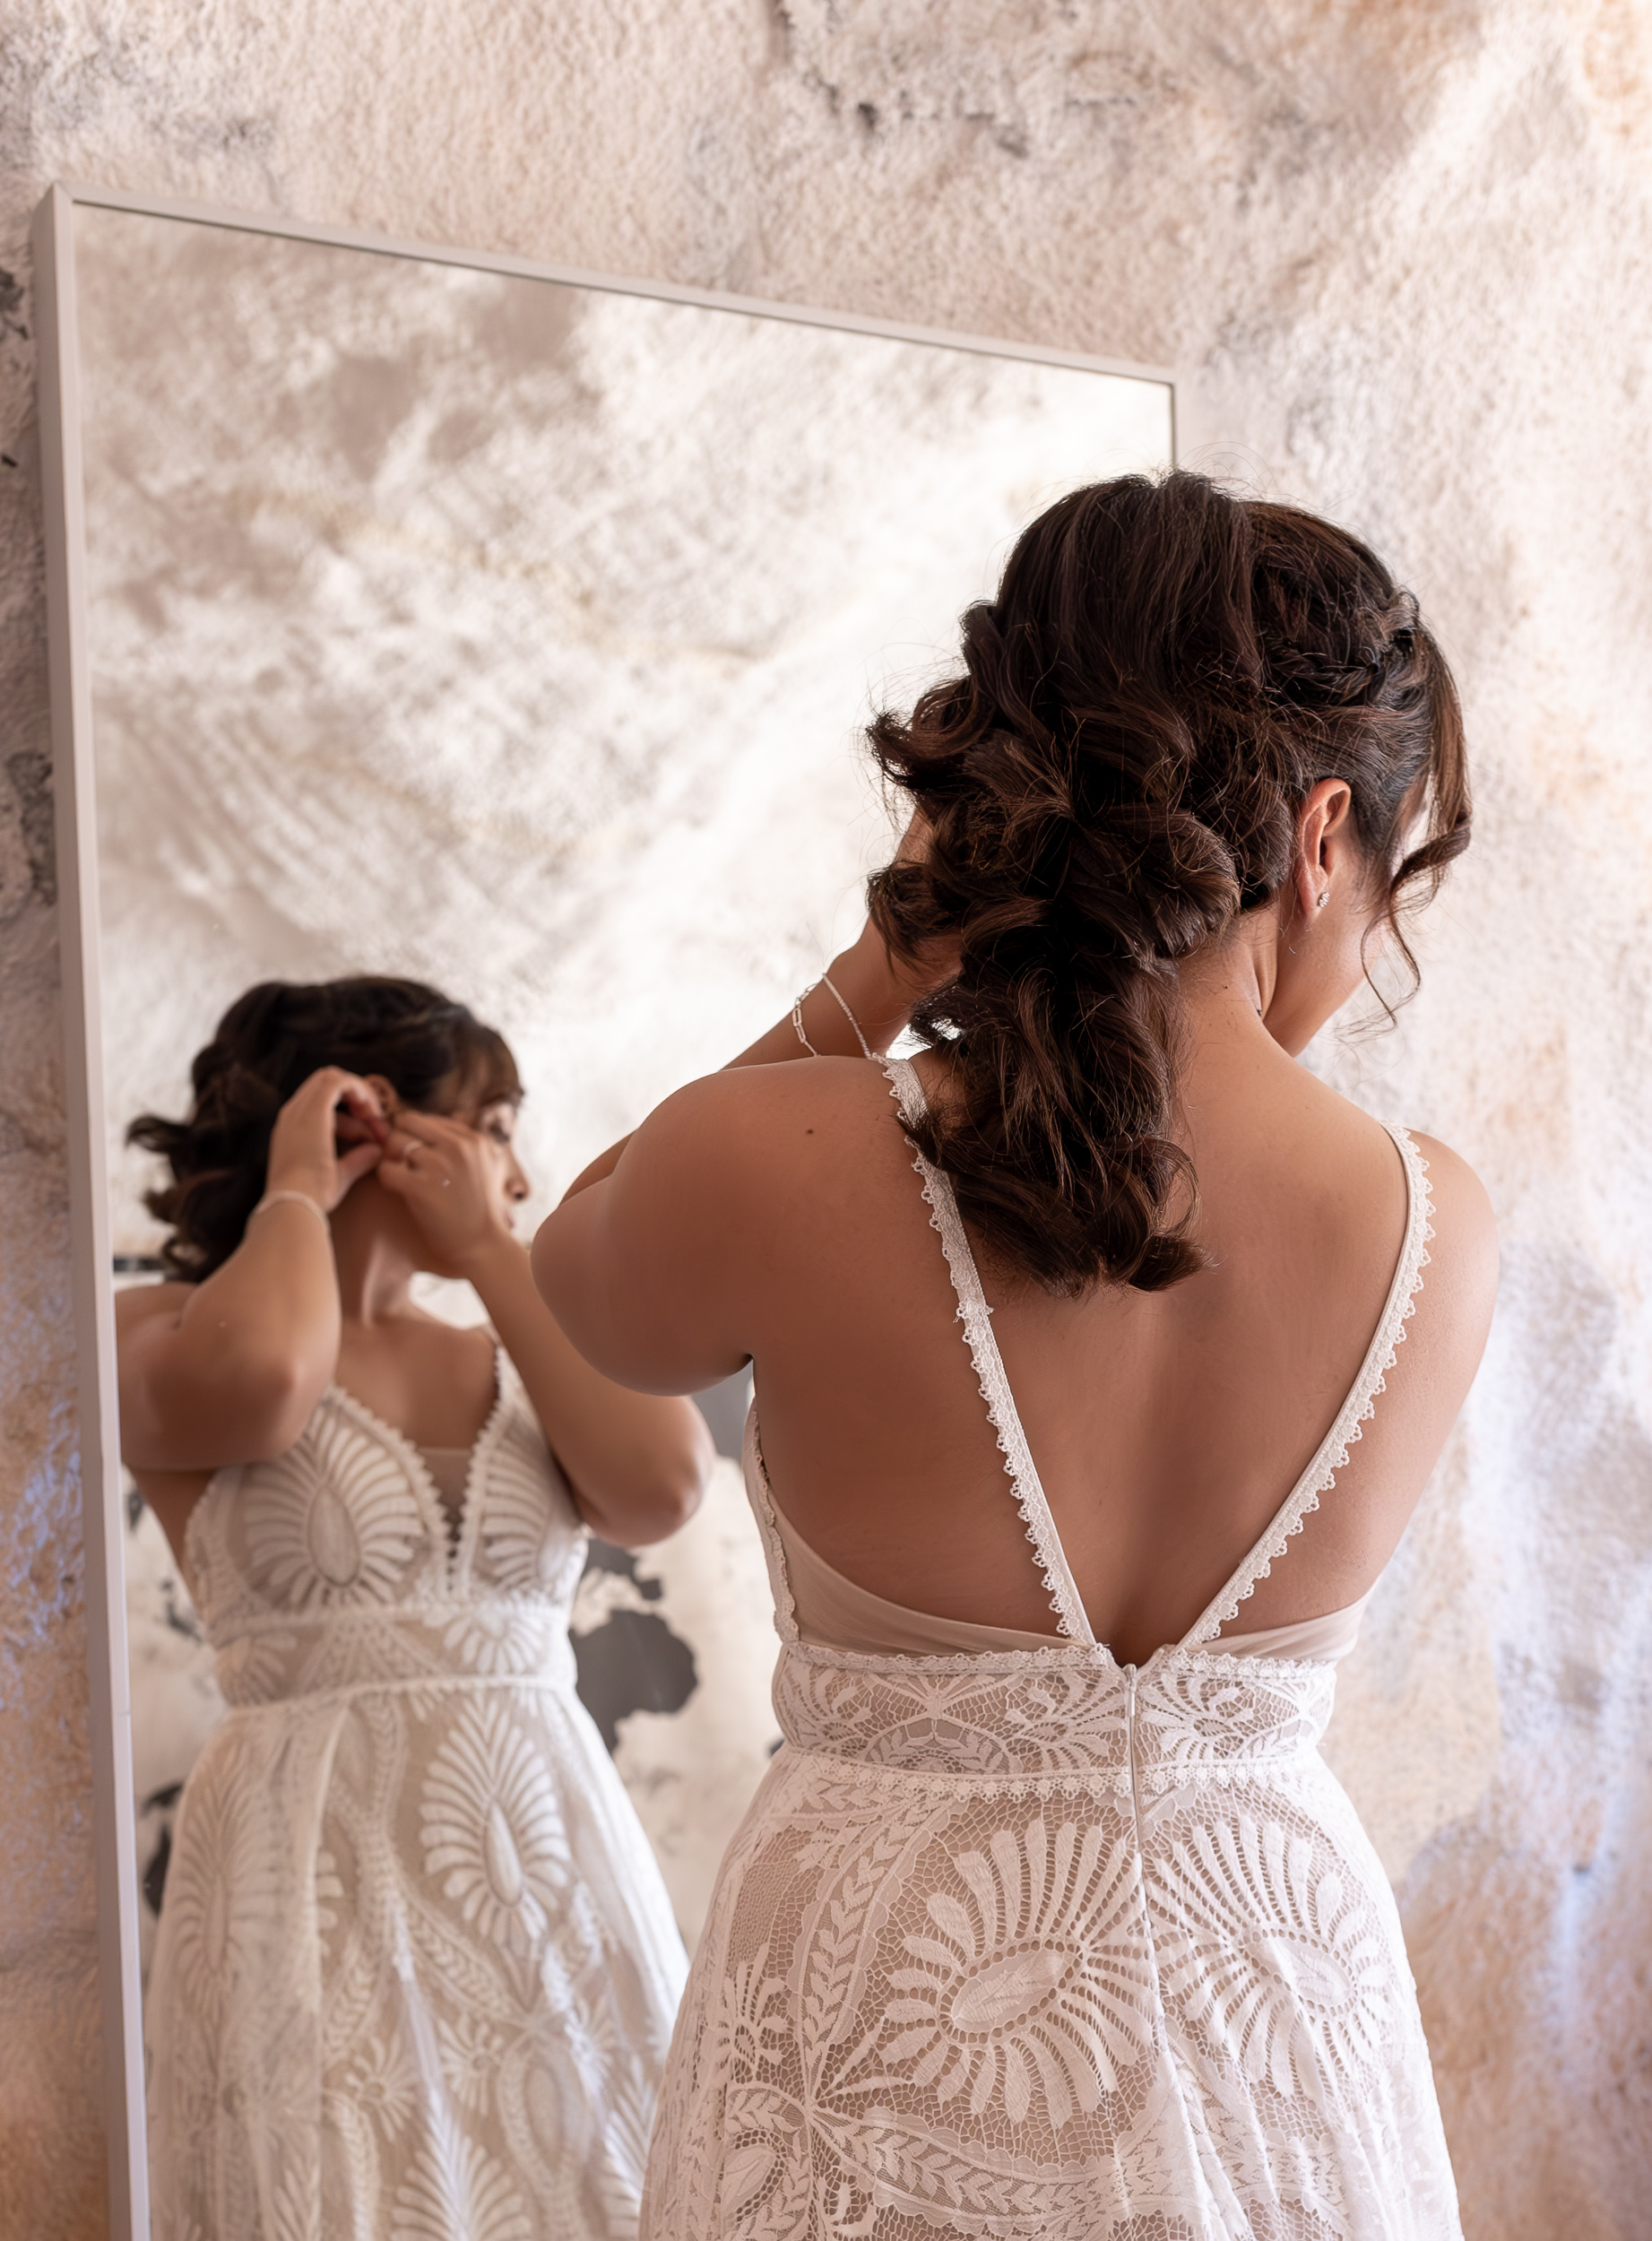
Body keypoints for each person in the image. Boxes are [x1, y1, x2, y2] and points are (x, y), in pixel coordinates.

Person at [532, 472, 1498, 2239]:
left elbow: (578, 1274)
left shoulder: (788, 1160)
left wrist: (881, 962)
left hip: (879, 2009)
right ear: (1320, 829)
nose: (1370, 947)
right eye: (1394, 875)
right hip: (1265, 2014)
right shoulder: (1432, 1226)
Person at [117, 975, 714, 2241]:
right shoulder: (160, 1334)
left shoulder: (512, 1345)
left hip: (543, 1853)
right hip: (308, 1864)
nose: (521, 1168)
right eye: (496, 1121)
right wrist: (295, 1188)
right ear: (375, 1128)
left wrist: (498, 1255)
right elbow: (273, 1382)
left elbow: (662, 1488)